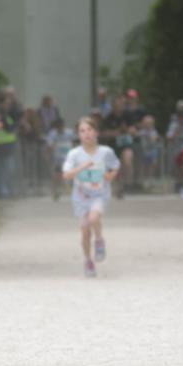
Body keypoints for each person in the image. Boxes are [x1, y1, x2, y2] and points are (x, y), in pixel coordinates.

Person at [61, 116, 120, 278]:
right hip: (81, 197)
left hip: (100, 194)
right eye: (82, 131)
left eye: (89, 130)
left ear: (96, 132)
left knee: (94, 218)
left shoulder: (106, 152)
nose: (86, 134)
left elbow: (115, 166)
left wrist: (110, 176)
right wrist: (82, 166)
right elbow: (66, 175)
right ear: (78, 135)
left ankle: (99, 240)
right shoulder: (74, 154)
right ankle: (88, 260)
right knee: (85, 230)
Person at [45, 117, 76, 201]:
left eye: (61, 126)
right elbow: (50, 145)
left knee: (70, 174)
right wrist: (48, 155)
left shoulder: (69, 133)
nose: (60, 128)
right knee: (56, 175)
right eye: (58, 127)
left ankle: (73, 191)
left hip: (68, 158)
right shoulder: (52, 134)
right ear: (56, 127)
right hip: (58, 158)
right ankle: (55, 192)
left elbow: (73, 143)